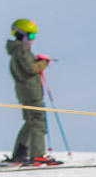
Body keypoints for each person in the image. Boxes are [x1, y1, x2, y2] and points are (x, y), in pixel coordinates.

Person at [3, 18, 59, 166]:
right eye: (31, 36)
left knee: (30, 122)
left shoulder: (17, 51)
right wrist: (43, 62)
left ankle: (19, 155)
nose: (33, 40)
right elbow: (30, 68)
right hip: (31, 92)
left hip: (24, 92)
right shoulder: (22, 51)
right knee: (38, 122)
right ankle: (37, 155)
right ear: (22, 35)